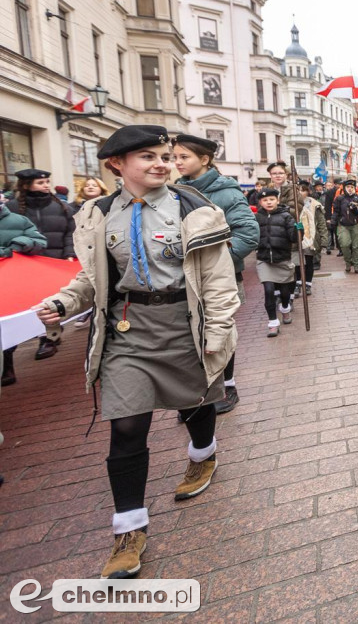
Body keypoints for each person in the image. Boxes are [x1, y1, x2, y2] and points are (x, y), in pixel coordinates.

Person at [34, 124, 238, 579]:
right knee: (126, 427)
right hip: (127, 331)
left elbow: (220, 281)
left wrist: (218, 332)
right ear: (117, 165)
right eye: (147, 157)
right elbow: (94, 277)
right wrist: (64, 303)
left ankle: (203, 453)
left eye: (164, 155)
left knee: (197, 404)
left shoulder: (196, 209)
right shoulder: (97, 213)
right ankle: (129, 528)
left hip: (186, 326)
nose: (161, 163)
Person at [173, 134, 259, 415]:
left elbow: (248, 234)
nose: (177, 162)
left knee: (219, 332)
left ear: (204, 159)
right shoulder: (173, 192)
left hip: (220, 279)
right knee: (191, 333)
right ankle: (198, 390)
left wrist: (217, 264)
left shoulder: (227, 191)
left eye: (184, 157)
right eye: (175, 157)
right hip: (186, 280)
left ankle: (227, 385)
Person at [10, 168, 76, 361]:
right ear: (25, 185)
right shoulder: (13, 209)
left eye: (47, 182)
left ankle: (48, 338)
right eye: (41, 183)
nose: (46, 185)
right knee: (27, 302)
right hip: (24, 264)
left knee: (51, 301)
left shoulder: (61, 207)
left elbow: (71, 233)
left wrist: (69, 253)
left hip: (55, 262)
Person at [0, 201, 47, 386]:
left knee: (6, 323)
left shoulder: (18, 220)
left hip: (11, 281)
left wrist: (22, 244)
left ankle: (7, 364)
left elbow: (39, 241)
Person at [254, 188, 298, 337]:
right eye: (265, 200)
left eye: (272, 199)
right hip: (264, 259)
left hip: (282, 258)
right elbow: (251, 236)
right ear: (260, 202)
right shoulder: (256, 217)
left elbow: (294, 238)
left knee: (285, 292)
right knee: (268, 290)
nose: (269, 202)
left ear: (277, 201)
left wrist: (299, 230)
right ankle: (273, 322)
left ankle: (285, 308)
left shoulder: (286, 216)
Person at [295, 181, 327, 294]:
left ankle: (308, 284)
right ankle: (297, 284)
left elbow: (322, 224)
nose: (300, 192)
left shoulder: (315, 204)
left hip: (310, 238)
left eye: (303, 190)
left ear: (308, 191)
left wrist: (324, 240)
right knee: (297, 263)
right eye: (298, 190)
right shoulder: (292, 204)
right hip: (295, 238)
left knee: (308, 262)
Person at [331, 178, 358, 273]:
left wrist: (356, 209)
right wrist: (333, 221)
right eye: (348, 187)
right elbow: (336, 211)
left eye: (352, 187)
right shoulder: (340, 198)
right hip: (343, 225)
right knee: (345, 244)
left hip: (355, 224)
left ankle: (357, 265)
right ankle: (348, 262)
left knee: (356, 246)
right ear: (344, 188)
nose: (350, 189)